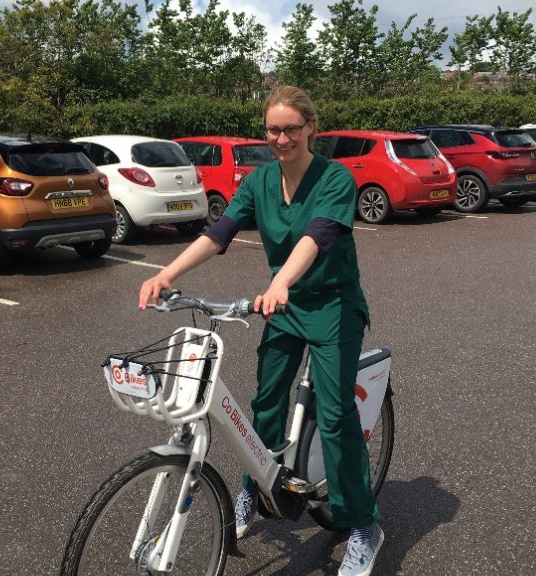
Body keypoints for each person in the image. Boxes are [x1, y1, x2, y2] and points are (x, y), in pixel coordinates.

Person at [138, 85, 383, 576]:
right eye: (274, 128)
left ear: (310, 127)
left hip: (333, 308)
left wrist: (281, 280)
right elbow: (219, 232)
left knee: (335, 420)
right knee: (264, 406)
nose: (282, 137)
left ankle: (363, 526)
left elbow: (317, 237)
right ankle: (254, 489)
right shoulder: (259, 181)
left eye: (292, 128)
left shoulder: (334, 178)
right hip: (284, 307)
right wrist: (168, 274)